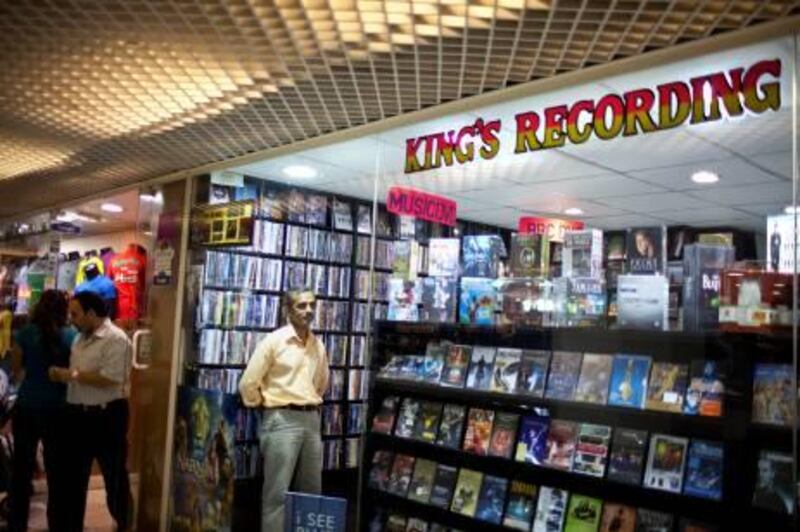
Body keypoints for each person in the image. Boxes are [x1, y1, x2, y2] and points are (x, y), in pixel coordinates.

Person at [238, 287, 330, 531]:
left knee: (312, 493)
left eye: (312, 305)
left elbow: (321, 384)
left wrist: (305, 400)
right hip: (281, 420)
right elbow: (249, 383)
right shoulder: (274, 341)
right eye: (301, 305)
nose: (308, 310)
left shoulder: (317, 345)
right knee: (277, 494)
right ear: (287, 310)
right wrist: (268, 405)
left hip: (311, 420)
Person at [48, 291, 133, 531]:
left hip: (108, 416)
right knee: (74, 478)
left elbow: (111, 378)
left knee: (114, 478)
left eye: (75, 314)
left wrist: (71, 375)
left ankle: (124, 522)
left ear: (91, 313)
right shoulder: (79, 338)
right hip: (78, 415)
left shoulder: (117, 339)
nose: (71, 318)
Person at [8, 289, 75, 531]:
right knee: (57, 471)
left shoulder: (25, 333)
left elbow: (16, 370)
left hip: (27, 406)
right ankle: (57, 524)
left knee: (21, 470)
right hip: (58, 409)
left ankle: (17, 523)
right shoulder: (71, 335)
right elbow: (73, 372)